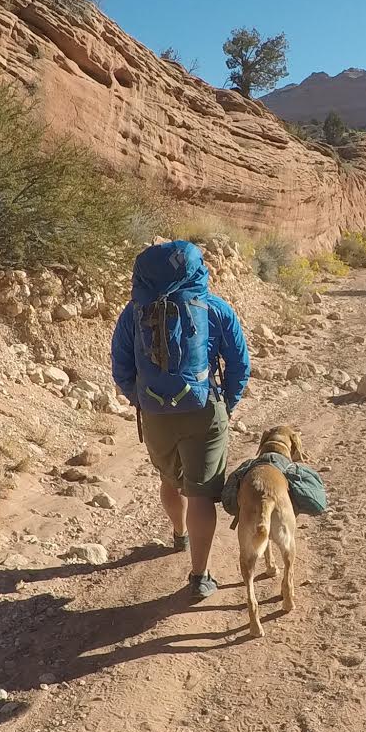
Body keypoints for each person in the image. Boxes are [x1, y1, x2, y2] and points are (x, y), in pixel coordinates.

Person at [111, 240, 250, 600]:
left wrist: (143, 401)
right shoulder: (214, 308)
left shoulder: (133, 313)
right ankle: (200, 576)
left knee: (170, 481)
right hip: (203, 409)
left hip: (155, 414)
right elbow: (239, 365)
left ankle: (178, 534)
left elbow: (121, 368)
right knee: (202, 496)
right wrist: (226, 404)